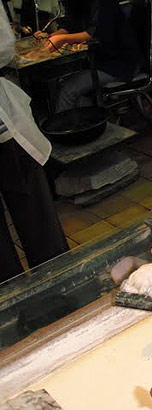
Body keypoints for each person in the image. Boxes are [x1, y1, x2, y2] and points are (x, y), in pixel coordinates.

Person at [0, 6, 68, 282]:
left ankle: (14, 309)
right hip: (5, 134)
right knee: (38, 223)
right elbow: (3, 47)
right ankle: (62, 292)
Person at [35, 0, 143, 113]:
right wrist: (49, 36)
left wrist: (62, 39)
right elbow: (71, 26)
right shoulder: (76, 3)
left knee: (67, 91)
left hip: (119, 64)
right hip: (98, 60)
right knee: (55, 82)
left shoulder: (104, 3)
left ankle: (68, 127)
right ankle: (78, 119)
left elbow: (95, 35)